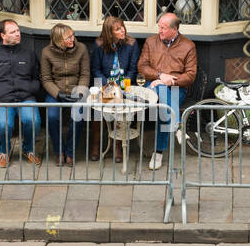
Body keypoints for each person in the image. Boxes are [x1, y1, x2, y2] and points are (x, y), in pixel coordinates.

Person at [0, 19, 42, 169]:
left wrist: (31, 89)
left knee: (33, 121)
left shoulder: (28, 54)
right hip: (1, 100)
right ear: (3, 35)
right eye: (13, 32)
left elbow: (37, 77)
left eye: (18, 31)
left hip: (25, 98)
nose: (18, 34)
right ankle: (3, 151)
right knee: (4, 124)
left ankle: (28, 149)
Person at [138, 12, 197, 171]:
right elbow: (142, 67)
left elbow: (191, 75)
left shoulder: (188, 46)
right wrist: (160, 76)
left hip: (177, 88)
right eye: (159, 27)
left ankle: (158, 153)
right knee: (161, 89)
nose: (160, 31)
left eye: (163, 28)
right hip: (151, 85)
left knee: (164, 105)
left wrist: (171, 80)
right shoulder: (151, 42)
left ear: (174, 29)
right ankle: (177, 126)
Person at [89, 16, 140, 162]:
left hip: (125, 84)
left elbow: (133, 68)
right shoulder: (99, 45)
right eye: (118, 29)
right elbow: (96, 69)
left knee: (121, 111)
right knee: (99, 111)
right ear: (109, 33)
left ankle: (117, 145)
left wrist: (122, 85)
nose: (122, 30)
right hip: (105, 84)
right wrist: (109, 85)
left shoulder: (131, 44)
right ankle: (96, 144)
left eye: (122, 26)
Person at [40, 23, 89, 167]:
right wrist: (58, 94)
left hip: (77, 90)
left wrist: (80, 92)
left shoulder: (82, 49)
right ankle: (58, 150)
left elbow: (85, 74)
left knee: (78, 116)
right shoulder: (46, 53)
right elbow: (46, 79)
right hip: (56, 91)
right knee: (52, 116)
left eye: (73, 35)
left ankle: (70, 152)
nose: (73, 39)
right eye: (69, 37)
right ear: (58, 40)